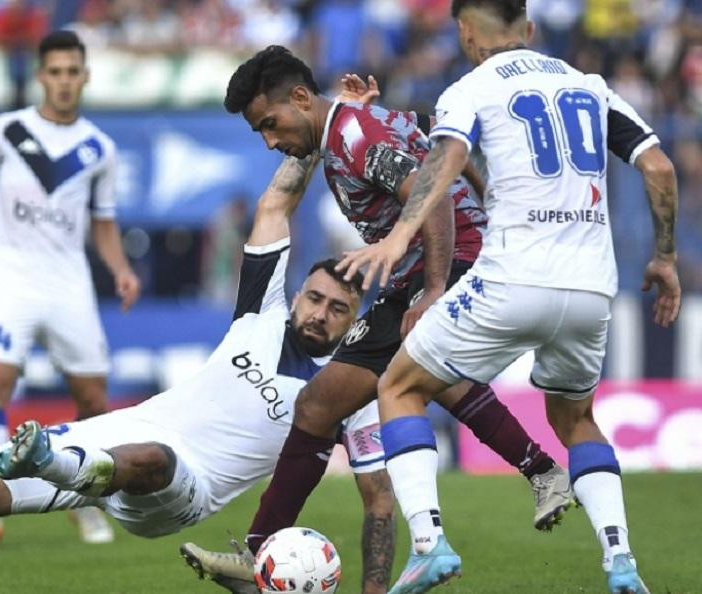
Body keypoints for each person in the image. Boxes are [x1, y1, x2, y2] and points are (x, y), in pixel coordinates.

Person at [0, 154, 392, 594]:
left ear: (353, 320)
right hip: (120, 432)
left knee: (153, 459)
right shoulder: (262, 311)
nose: (321, 313)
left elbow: (379, 501)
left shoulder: (347, 390)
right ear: (297, 296)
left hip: (181, 488)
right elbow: (276, 204)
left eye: (338, 309)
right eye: (316, 299)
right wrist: (317, 138)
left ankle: (51, 463)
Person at [184, 45, 571, 594]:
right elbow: (441, 141)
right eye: (259, 133)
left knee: (321, 404)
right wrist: (493, 207)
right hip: (445, 262)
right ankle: (542, 473)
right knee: (423, 382)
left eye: (270, 124)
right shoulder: (356, 123)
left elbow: (430, 197)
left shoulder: (353, 137)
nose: (271, 142)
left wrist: (435, 288)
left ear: (301, 98)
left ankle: (266, 552)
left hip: (443, 267)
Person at [341, 1, 680, 593]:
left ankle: (429, 545)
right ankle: (621, 562)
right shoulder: (590, 86)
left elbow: (446, 157)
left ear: (466, 32)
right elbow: (658, 166)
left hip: (512, 278)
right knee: (576, 418)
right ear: (527, 29)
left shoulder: (469, 88)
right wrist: (666, 256)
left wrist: (399, 234)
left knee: (400, 385)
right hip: (591, 290)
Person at [0, 30, 140, 544]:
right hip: (11, 276)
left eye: (72, 72)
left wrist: (120, 268)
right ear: (41, 75)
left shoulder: (98, 149)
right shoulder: (6, 130)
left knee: (92, 400)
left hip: (69, 282)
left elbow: (103, 222)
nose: (64, 81)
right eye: (55, 72)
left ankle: (83, 500)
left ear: (85, 77)